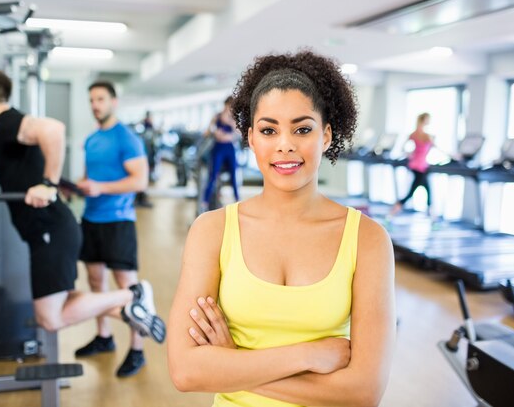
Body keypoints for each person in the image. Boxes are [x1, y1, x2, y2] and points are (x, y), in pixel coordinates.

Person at [167, 51, 396, 406]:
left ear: (326, 136)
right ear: (251, 139)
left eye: (302, 129)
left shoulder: (368, 239)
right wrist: (306, 356)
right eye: (268, 130)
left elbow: (363, 392)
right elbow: (185, 371)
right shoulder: (211, 231)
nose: (285, 144)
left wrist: (233, 362)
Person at [0, 68, 166, 349]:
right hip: (66, 223)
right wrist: (61, 185)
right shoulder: (90, 139)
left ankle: (131, 296)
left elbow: (53, 130)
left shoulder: (5, 121)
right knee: (75, 296)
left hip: (62, 227)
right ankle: (125, 313)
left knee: (50, 319)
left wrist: (48, 182)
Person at [74, 81, 159, 377]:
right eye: (92, 99)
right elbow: (90, 177)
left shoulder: (127, 139)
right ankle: (104, 337)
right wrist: (77, 187)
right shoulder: (91, 140)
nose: (95, 104)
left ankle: (137, 350)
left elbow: (140, 181)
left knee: (129, 290)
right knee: (96, 282)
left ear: (114, 102)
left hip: (118, 221)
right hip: (91, 219)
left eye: (100, 99)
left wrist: (101, 187)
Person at [389, 112, 434, 218]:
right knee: (412, 193)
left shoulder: (414, 134)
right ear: (424, 120)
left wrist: (410, 154)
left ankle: (433, 218)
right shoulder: (426, 136)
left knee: (427, 190)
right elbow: (436, 147)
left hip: (416, 165)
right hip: (421, 167)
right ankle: (391, 214)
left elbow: (403, 148)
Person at [201, 96, 240, 212]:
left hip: (229, 148)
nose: (230, 108)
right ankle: (205, 202)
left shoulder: (233, 119)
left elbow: (238, 134)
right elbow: (207, 132)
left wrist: (231, 125)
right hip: (218, 147)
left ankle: (237, 200)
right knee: (213, 175)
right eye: (228, 105)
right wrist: (214, 132)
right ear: (225, 105)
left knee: (234, 174)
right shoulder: (216, 116)